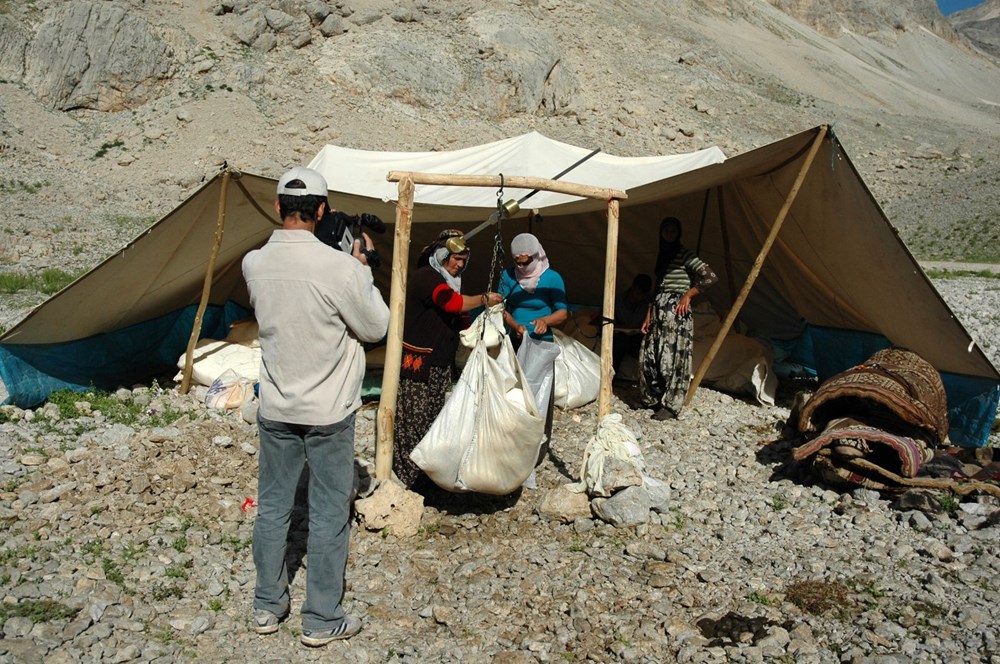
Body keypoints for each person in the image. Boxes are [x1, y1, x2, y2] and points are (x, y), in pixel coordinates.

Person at [242, 166, 389, 647]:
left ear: (278, 206)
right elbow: (375, 328)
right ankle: (322, 618)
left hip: (277, 406)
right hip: (328, 411)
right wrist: (362, 267)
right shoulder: (341, 268)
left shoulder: (253, 264)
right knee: (328, 514)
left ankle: (267, 605)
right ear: (321, 210)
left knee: (273, 508)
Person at [394, 230, 502, 489]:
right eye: (455, 259)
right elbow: (450, 303)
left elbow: (456, 315)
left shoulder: (450, 281)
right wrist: (484, 300)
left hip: (439, 364)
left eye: (464, 260)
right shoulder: (426, 278)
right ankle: (408, 479)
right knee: (414, 423)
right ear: (441, 255)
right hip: (418, 365)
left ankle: (428, 479)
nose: (460, 265)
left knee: (436, 422)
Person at [637, 216, 718, 420]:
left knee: (672, 358)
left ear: (678, 234)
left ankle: (672, 405)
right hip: (658, 309)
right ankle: (653, 399)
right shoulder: (663, 256)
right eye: (666, 231)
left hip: (676, 312)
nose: (669, 235)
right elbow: (658, 287)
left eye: (673, 231)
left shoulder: (684, 254)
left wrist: (688, 295)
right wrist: (649, 313)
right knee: (650, 356)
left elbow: (709, 276)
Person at [499, 233, 568, 446]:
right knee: (513, 389)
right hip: (516, 339)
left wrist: (545, 321)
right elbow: (500, 307)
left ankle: (538, 440)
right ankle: (510, 437)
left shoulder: (552, 278)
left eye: (526, 262)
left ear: (536, 256)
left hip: (541, 343)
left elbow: (563, 313)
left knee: (539, 392)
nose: (522, 267)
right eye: (517, 263)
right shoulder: (509, 276)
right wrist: (514, 325)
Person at [612, 273, 653, 374]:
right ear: (633, 288)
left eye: (643, 296)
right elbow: (605, 320)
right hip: (619, 335)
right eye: (638, 294)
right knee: (619, 344)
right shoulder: (618, 299)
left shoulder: (648, 303)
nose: (639, 298)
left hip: (637, 337)